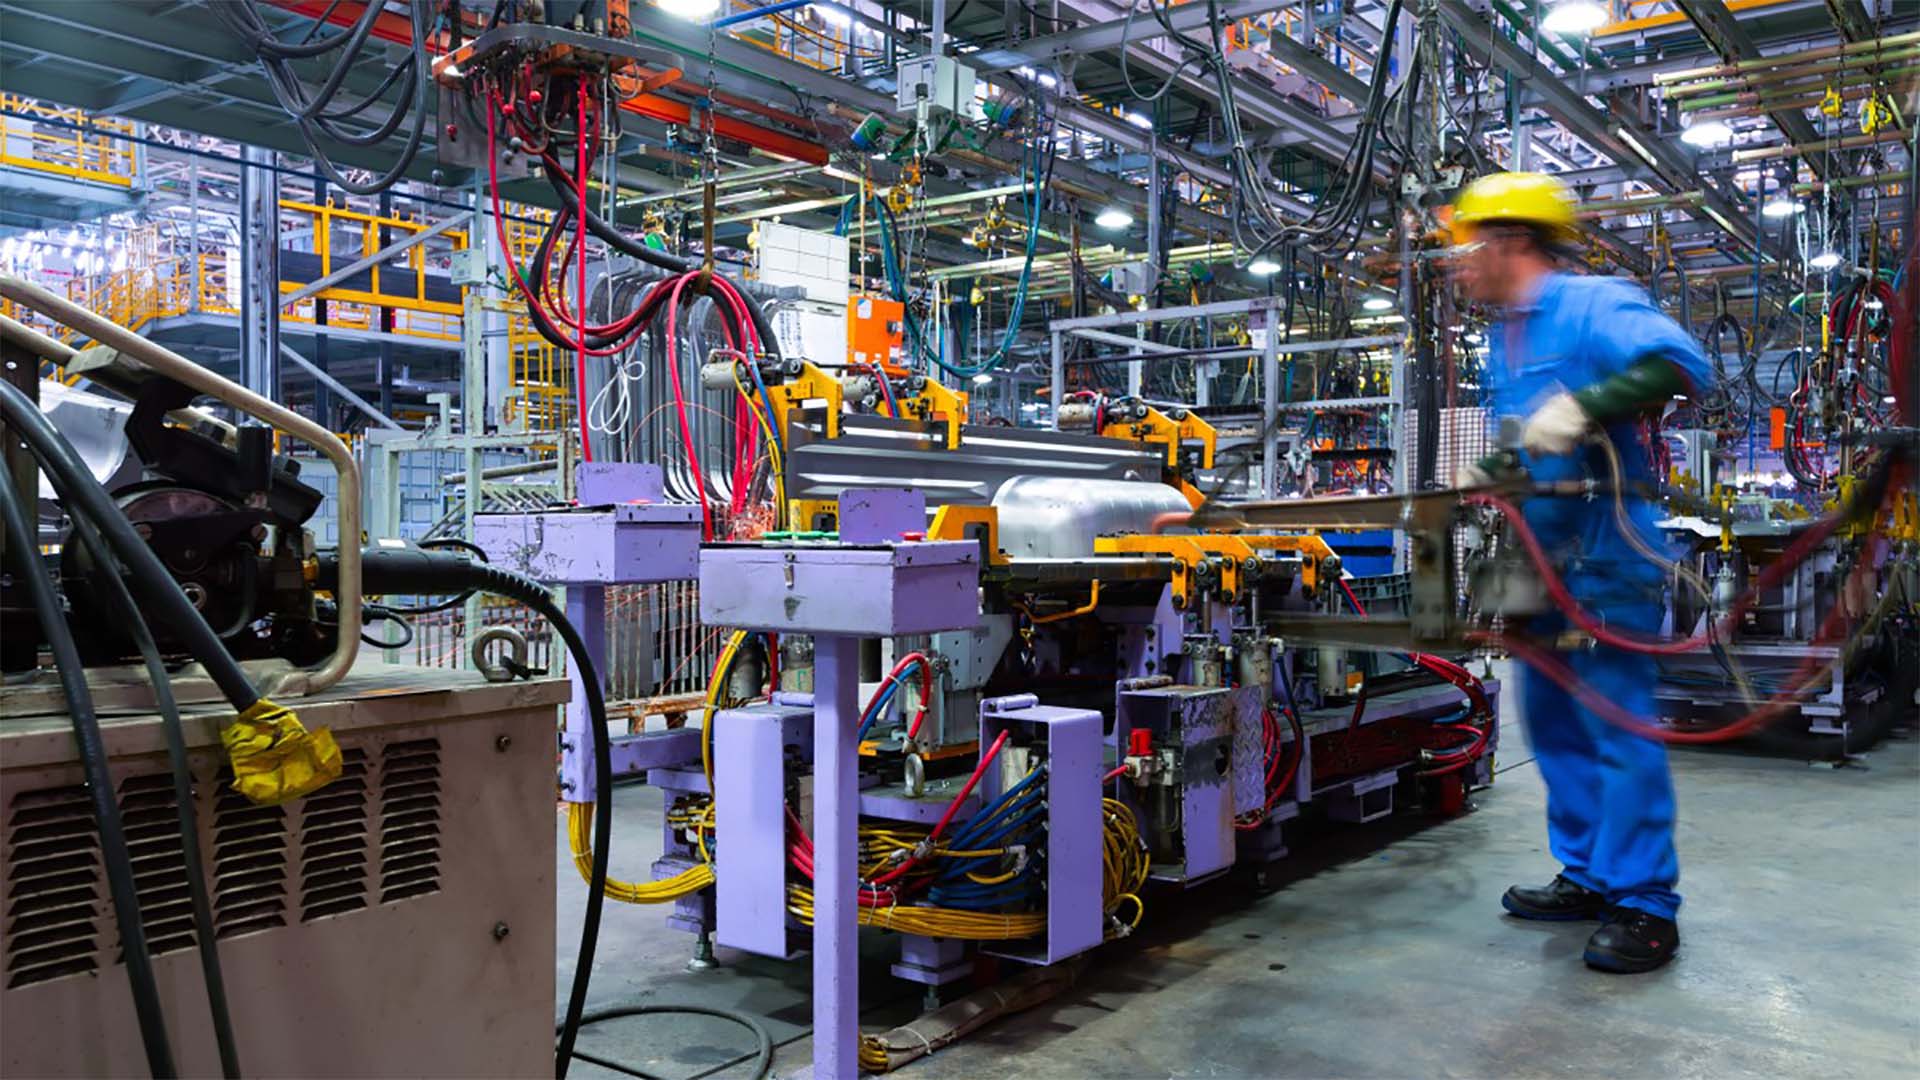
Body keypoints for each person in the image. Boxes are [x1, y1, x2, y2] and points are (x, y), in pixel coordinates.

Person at [1449, 171, 1713, 974]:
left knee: (1616, 725)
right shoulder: (1509, 334)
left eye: (1468, 247)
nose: (1461, 265)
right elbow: (1533, 437)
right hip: (1539, 559)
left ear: (1510, 241)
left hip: (1607, 554)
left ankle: (1645, 903)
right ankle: (1591, 873)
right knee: (1552, 722)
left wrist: (1585, 406)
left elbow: (1681, 364)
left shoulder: (1591, 302)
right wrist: (1496, 464)